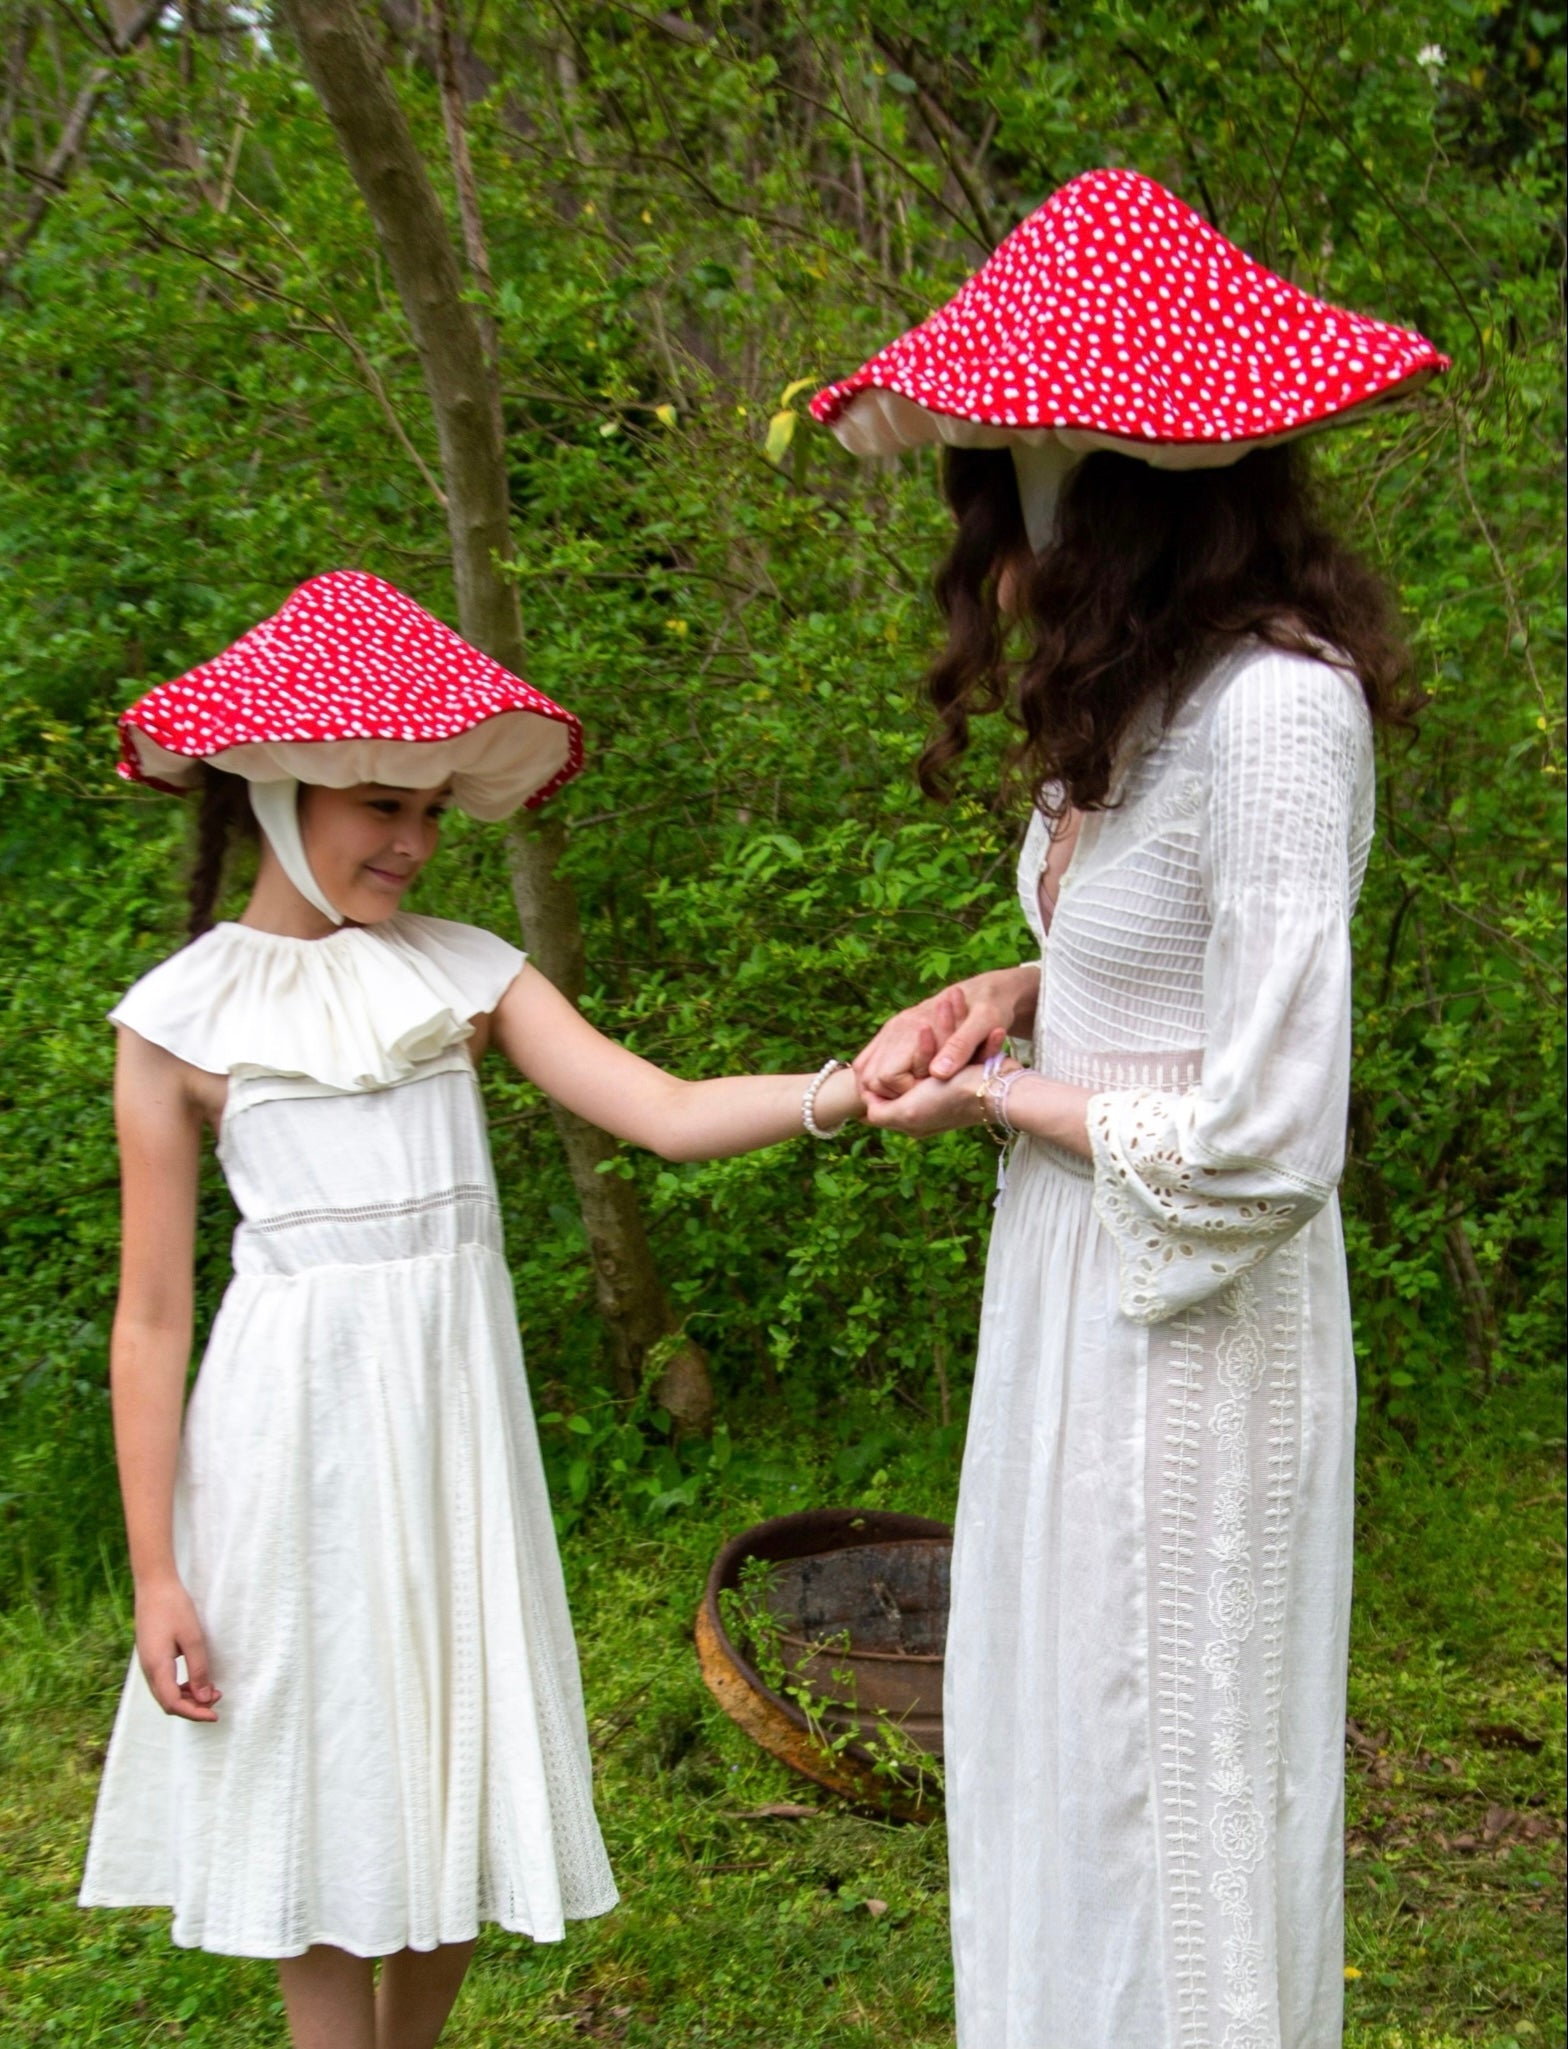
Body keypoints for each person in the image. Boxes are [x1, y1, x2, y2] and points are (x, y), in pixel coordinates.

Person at [817, 170, 1447, 2049]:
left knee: (1166, 1759)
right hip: (1074, 1294)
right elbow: (1146, 966)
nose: (990, 553)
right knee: (1063, 1740)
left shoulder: (1275, 719)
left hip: (1196, 1330)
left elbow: (1267, 1133)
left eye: (1012, 494)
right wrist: (1014, 987)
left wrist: (1012, 1097)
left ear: (1121, 496)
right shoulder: (1137, 700)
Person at [78, 569, 864, 2049]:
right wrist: (157, 1571)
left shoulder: (466, 976)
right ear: (278, 791)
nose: (416, 840)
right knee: (316, 1747)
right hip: (284, 1447)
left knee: (440, 1740)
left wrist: (855, 1089)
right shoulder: (176, 1022)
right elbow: (152, 1318)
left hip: (446, 1428)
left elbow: (670, 1110)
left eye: (433, 807)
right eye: (383, 803)